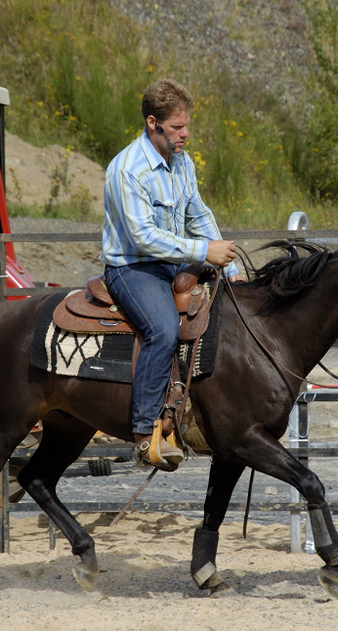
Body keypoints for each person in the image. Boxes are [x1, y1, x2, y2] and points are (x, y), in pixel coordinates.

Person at [101, 79, 240, 472]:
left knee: (227, 305)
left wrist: (229, 263)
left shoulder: (183, 161)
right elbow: (143, 238)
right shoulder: (127, 170)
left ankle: (198, 414)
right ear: (152, 124)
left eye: (187, 125)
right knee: (162, 329)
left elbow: (198, 215)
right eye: (177, 127)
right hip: (133, 267)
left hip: (175, 261)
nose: (185, 133)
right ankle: (145, 432)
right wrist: (203, 251)